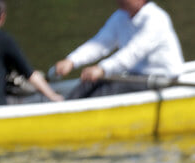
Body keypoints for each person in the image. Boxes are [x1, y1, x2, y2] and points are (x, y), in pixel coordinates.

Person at [53, 0, 183, 100]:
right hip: (135, 76)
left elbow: (132, 53)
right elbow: (100, 43)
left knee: (107, 90)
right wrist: (71, 61)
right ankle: (63, 107)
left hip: (163, 78)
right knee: (89, 83)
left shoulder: (156, 18)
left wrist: (102, 69)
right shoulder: (120, 16)